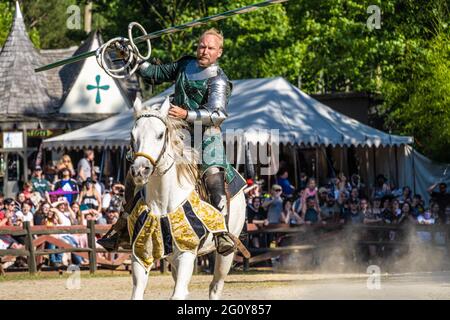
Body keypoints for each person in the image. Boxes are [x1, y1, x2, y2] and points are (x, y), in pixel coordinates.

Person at [100, 29, 245, 255]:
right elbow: (153, 73)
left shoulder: (219, 79)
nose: (204, 51)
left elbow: (218, 114)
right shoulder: (185, 65)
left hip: (206, 136)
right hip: (176, 131)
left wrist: (187, 114)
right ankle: (124, 223)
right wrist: (132, 57)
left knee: (213, 176)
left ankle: (220, 233)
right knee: (136, 166)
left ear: (219, 52)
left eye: (210, 48)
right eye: (201, 46)